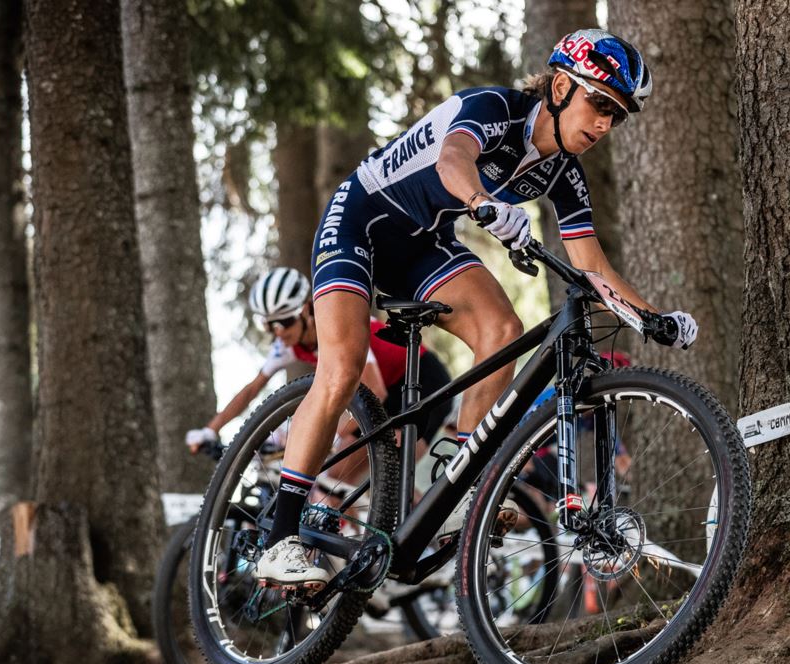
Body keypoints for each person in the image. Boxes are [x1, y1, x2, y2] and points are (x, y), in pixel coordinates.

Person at [252, 30, 697, 588]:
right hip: (361, 221)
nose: (606, 123)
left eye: (619, 115)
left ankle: (450, 489)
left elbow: (594, 268)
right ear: (561, 86)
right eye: (600, 104)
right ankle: (280, 538)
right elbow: (452, 160)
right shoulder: (492, 109)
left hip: (423, 245)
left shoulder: (564, 172)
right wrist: (484, 205)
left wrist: (655, 318)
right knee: (343, 366)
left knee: (503, 329)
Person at [185, 267, 456, 478]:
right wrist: (212, 429)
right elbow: (251, 389)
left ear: (305, 311)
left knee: (394, 469)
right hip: (383, 396)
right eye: (269, 326)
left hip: (420, 379)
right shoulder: (289, 344)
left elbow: (376, 388)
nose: (279, 333)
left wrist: (330, 432)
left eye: (284, 321)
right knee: (336, 478)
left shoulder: (335, 327)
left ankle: (432, 540)